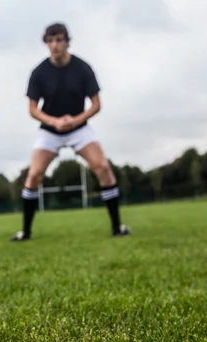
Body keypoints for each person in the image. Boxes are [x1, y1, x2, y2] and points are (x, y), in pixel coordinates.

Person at [11, 22, 130, 241]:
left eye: (58, 40)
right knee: (34, 175)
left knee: (103, 168)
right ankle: (25, 232)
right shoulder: (39, 72)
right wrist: (55, 122)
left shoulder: (82, 68)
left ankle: (117, 227)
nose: (54, 45)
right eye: (50, 41)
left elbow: (96, 104)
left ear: (67, 42)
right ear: (46, 43)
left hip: (79, 128)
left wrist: (75, 120)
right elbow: (32, 109)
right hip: (50, 130)